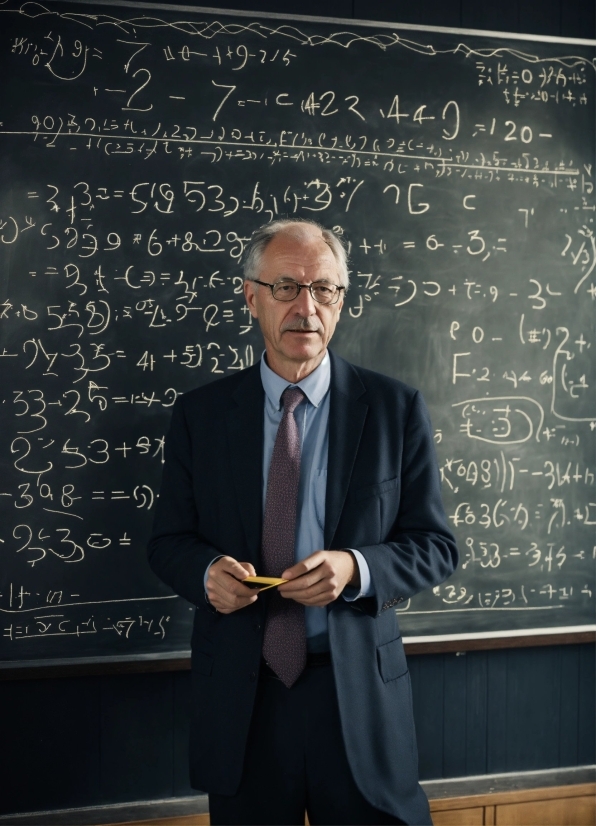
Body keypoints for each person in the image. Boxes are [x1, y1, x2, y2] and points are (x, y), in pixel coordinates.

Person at [148, 219, 458, 826]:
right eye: (286, 287)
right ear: (251, 296)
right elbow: (168, 542)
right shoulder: (200, 416)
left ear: (341, 299)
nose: (306, 308)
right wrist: (206, 571)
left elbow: (435, 545)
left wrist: (356, 566)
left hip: (358, 700)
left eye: (325, 289)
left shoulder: (395, 410)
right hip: (245, 697)